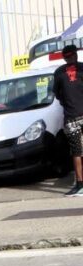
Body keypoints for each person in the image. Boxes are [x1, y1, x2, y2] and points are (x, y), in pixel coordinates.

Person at [54, 42, 83, 196]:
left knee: (76, 152)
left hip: (71, 117)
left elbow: (57, 95)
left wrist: (67, 101)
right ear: (76, 55)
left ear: (64, 58)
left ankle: (80, 184)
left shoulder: (58, 72)